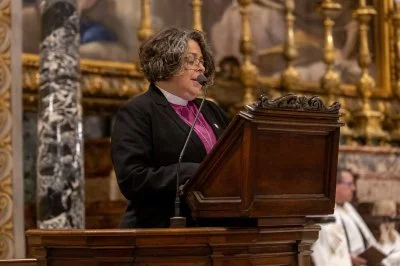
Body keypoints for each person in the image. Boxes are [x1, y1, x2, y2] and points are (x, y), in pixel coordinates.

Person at [111, 27, 230, 228]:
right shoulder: (138, 112)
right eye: (191, 61)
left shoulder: (212, 111)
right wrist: (191, 172)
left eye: (201, 61)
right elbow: (133, 178)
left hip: (214, 226)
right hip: (159, 229)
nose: (201, 68)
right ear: (167, 63)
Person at [312, 169, 400, 266]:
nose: (353, 188)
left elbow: (367, 237)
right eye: (349, 184)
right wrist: (349, 258)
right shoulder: (324, 212)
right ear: (335, 185)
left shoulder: (348, 207)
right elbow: (325, 250)